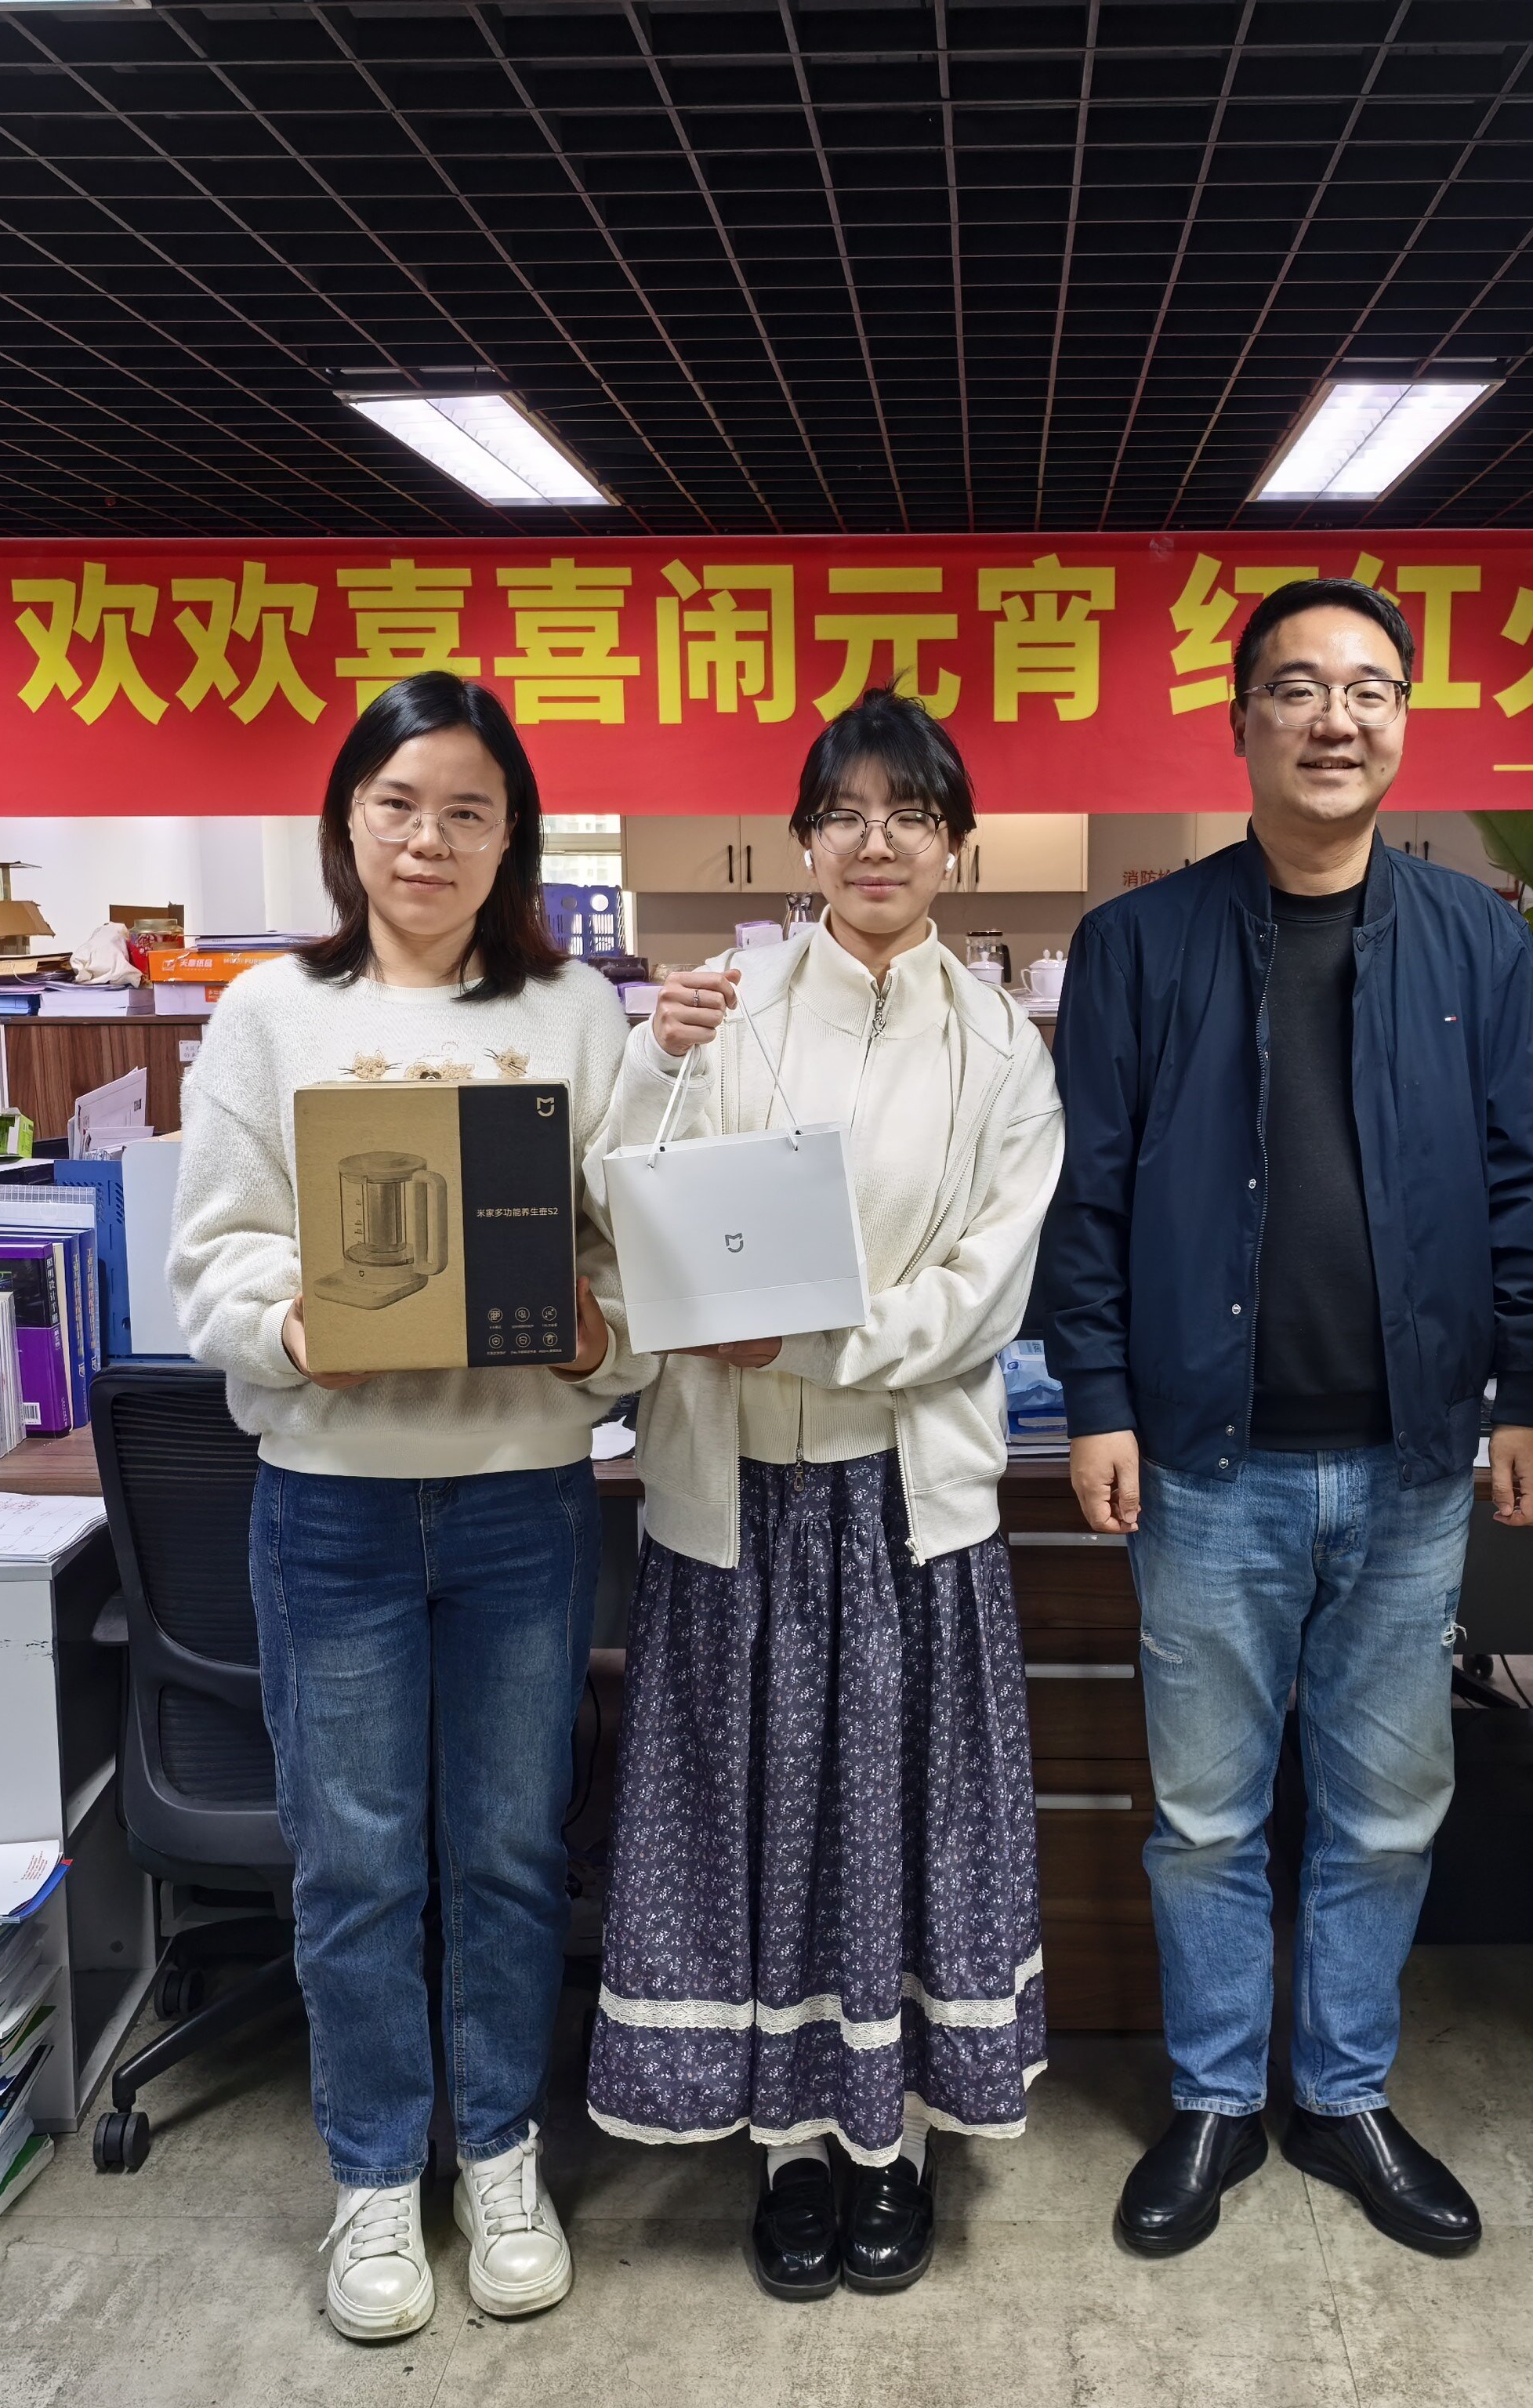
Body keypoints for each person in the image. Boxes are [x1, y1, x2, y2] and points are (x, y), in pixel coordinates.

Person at [1038, 578, 1533, 2261]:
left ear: (1401, 721)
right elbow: (1090, 1198)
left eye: (1367, 689)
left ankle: (1341, 2094)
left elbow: (1522, 1186)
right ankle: (1215, 2099)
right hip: (1209, 1463)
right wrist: (1097, 1398)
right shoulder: (1139, 944)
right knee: (1206, 1817)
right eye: (1297, 688)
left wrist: (1529, 1394)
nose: (1334, 718)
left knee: (1384, 1809)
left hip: (1414, 1460)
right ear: (1243, 723)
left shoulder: (1477, 939)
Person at [167, 672, 647, 2345]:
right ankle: (376, 2175)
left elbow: (625, 1254)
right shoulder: (267, 1014)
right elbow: (213, 1257)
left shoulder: (575, 1013)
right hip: (335, 1508)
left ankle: (500, 2157)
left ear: (511, 839)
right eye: (397, 804)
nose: (428, 839)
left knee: (509, 1853)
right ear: (346, 823)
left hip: (522, 1499)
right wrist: (295, 1328)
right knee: (359, 1863)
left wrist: (593, 1337)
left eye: (466, 811)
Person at [583, 689, 1064, 2302]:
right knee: (758, 1835)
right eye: (846, 813)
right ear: (801, 841)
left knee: (896, 1837)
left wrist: (812, 1342)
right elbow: (630, 1211)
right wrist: (652, 1062)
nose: (877, 842)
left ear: (954, 845)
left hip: (904, 1509)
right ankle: (787, 2149)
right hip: (732, 1496)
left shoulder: (999, 1047)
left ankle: (892, 2147)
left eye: (911, 814)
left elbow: (985, 1295)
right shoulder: (725, 1010)